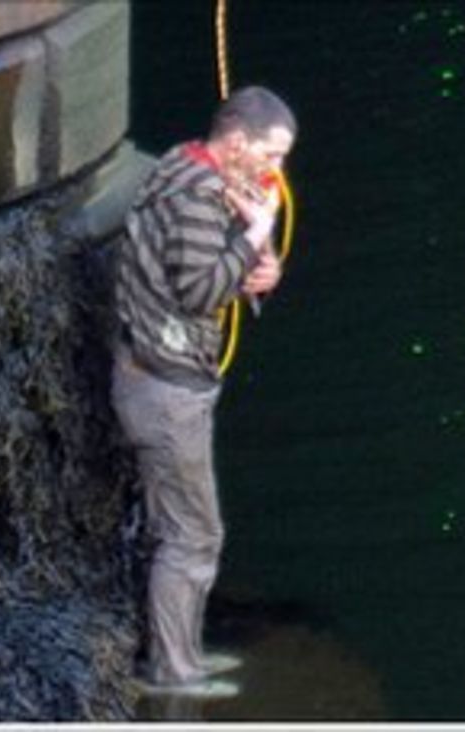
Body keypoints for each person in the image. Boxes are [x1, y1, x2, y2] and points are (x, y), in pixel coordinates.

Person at [111, 86, 297, 699]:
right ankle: (173, 673)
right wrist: (254, 236)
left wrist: (254, 266)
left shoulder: (183, 165)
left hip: (157, 378)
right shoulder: (195, 198)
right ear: (236, 141)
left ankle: (183, 653)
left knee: (186, 530)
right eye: (270, 155)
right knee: (192, 535)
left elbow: (199, 272)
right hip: (167, 390)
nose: (276, 170)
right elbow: (196, 291)